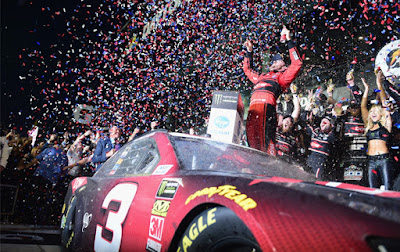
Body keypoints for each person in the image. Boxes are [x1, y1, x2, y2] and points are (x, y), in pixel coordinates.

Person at [242, 26, 302, 155]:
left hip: (266, 110)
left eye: (277, 60)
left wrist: (289, 41)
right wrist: (249, 52)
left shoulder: (282, 78)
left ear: (284, 65)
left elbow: (297, 63)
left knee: (265, 147)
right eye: (273, 60)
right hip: (252, 112)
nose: (273, 62)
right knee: (251, 146)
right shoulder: (260, 77)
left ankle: (269, 167)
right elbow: (247, 70)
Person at [361, 76, 394, 190]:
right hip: (371, 161)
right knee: (372, 190)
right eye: (371, 111)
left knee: (388, 189)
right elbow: (363, 106)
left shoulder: (386, 124)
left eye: (376, 111)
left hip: (384, 160)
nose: (373, 113)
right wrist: (366, 89)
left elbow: (385, 105)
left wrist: (379, 85)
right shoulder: (369, 126)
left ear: (381, 114)